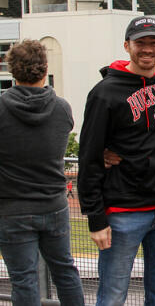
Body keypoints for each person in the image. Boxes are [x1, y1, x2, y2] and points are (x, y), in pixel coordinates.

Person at [78, 16, 155, 305]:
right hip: (123, 211)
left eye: (154, 43)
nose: (147, 49)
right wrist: (95, 218)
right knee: (112, 297)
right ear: (127, 46)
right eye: (140, 43)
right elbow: (88, 156)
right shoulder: (104, 93)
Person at [0, 39, 84, 306]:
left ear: (11, 70)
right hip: (54, 206)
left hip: (12, 208)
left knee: (24, 280)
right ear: (45, 68)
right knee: (66, 272)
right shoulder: (62, 108)